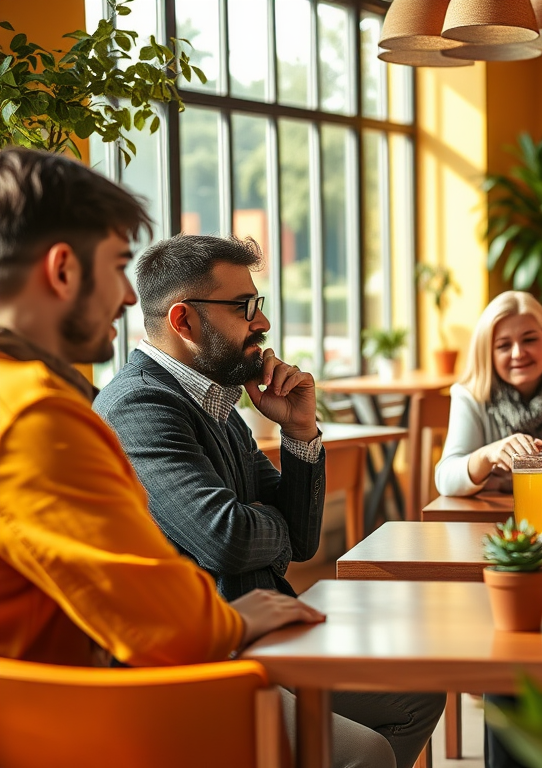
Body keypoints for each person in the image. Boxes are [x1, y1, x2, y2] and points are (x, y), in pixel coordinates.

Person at [93, 234, 444, 768]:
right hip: (199, 658)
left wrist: (299, 431)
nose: (262, 323)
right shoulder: (141, 404)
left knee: (417, 695)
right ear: (184, 321)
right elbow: (228, 539)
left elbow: (300, 542)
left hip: (266, 634)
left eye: (258, 305)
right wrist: (263, 524)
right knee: (367, 752)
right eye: (244, 307)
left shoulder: (216, 401)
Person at [0, 147, 323, 670]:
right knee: (362, 749)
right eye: (118, 266)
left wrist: (299, 436)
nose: (130, 297)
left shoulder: (32, 398)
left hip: (74, 705)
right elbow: (174, 619)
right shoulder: (37, 416)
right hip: (100, 718)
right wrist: (238, 618)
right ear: (63, 270)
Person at [434, 290, 542, 497]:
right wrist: (488, 455)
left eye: (529, 340)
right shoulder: (469, 392)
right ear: (488, 353)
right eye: (503, 345)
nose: (518, 353)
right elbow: (446, 479)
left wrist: (531, 465)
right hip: (488, 522)